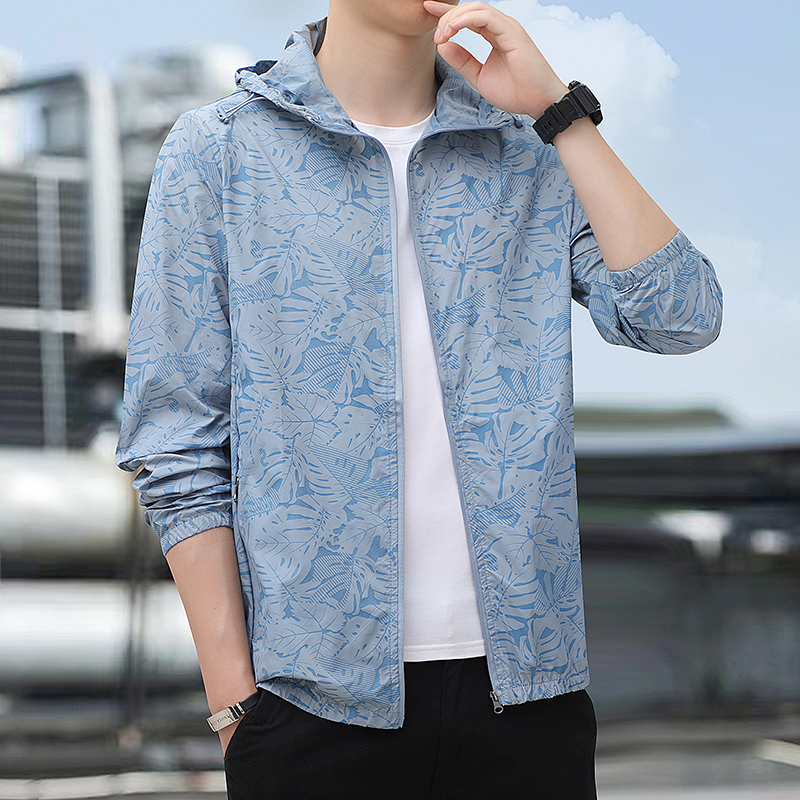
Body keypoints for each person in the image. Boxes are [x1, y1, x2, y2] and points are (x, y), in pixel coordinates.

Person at [116, 1, 722, 797]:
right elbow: (175, 443)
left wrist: (559, 113)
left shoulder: (528, 150)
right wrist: (237, 708)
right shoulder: (219, 151)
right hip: (309, 708)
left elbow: (680, 318)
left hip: (530, 702)